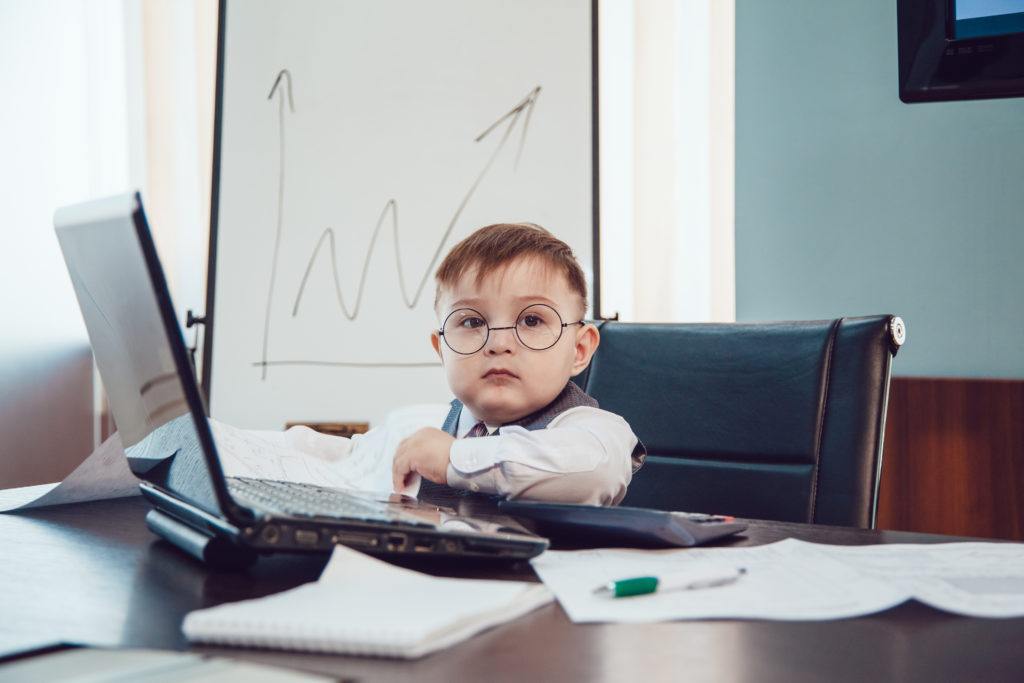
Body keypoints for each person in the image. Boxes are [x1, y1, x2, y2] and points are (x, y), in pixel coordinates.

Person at [390, 222, 644, 505]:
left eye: (531, 320)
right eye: (472, 322)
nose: (499, 345)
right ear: (442, 350)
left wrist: (454, 459)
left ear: (579, 350)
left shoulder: (597, 432)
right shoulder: (422, 427)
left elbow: (596, 472)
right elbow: (348, 460)